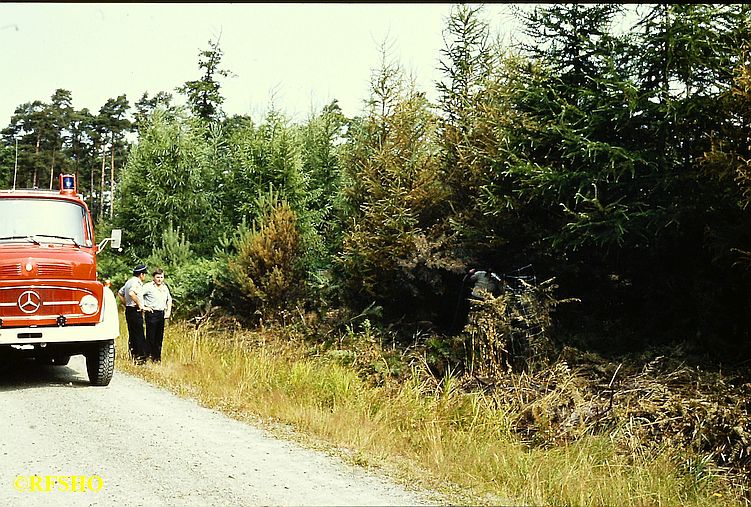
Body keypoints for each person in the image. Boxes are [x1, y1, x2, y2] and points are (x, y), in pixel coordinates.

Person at [118, 264, 149, 364]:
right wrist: (140, 305)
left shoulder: (129, 281)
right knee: (139, 334)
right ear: (141, 274)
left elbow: (120, 293)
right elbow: (131, 293)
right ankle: (140, 356)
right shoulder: (136, 282)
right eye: (144, 274)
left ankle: (133, 355)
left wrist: (126, 303)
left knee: (132, 333)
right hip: (135, 310)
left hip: (129, 310)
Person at [141, 268, 173, 362]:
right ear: (153, 277)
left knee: (159, 337)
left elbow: (169, 299)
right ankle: (147, 357)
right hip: (151, 313)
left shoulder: (164, 287)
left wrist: (168, 311)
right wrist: (143, 307)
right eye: (158, 277)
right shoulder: (148, 286)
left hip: (161, 313)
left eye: (161, 277)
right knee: (151, 336)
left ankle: (157, 359)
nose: (159, 279)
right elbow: (139, 295)